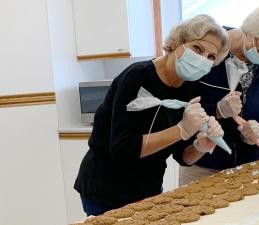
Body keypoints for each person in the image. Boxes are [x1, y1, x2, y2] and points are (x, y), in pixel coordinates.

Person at [74, 14, 230, 216]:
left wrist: (201, 146)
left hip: (148, 190)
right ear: (176, 43)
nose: (202, 59)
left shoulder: (190, 88)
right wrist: (181, 130)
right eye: (197, 48)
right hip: (106, 190)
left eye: (211, 57)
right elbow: (123, 150)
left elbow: (183, 157)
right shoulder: (137, 77)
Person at [179, 3, 259, 185]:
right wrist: (217, 110)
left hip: (253, 168)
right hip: (204, 167)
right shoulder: (207, 49)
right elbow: (179, 110)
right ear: (249, 31)